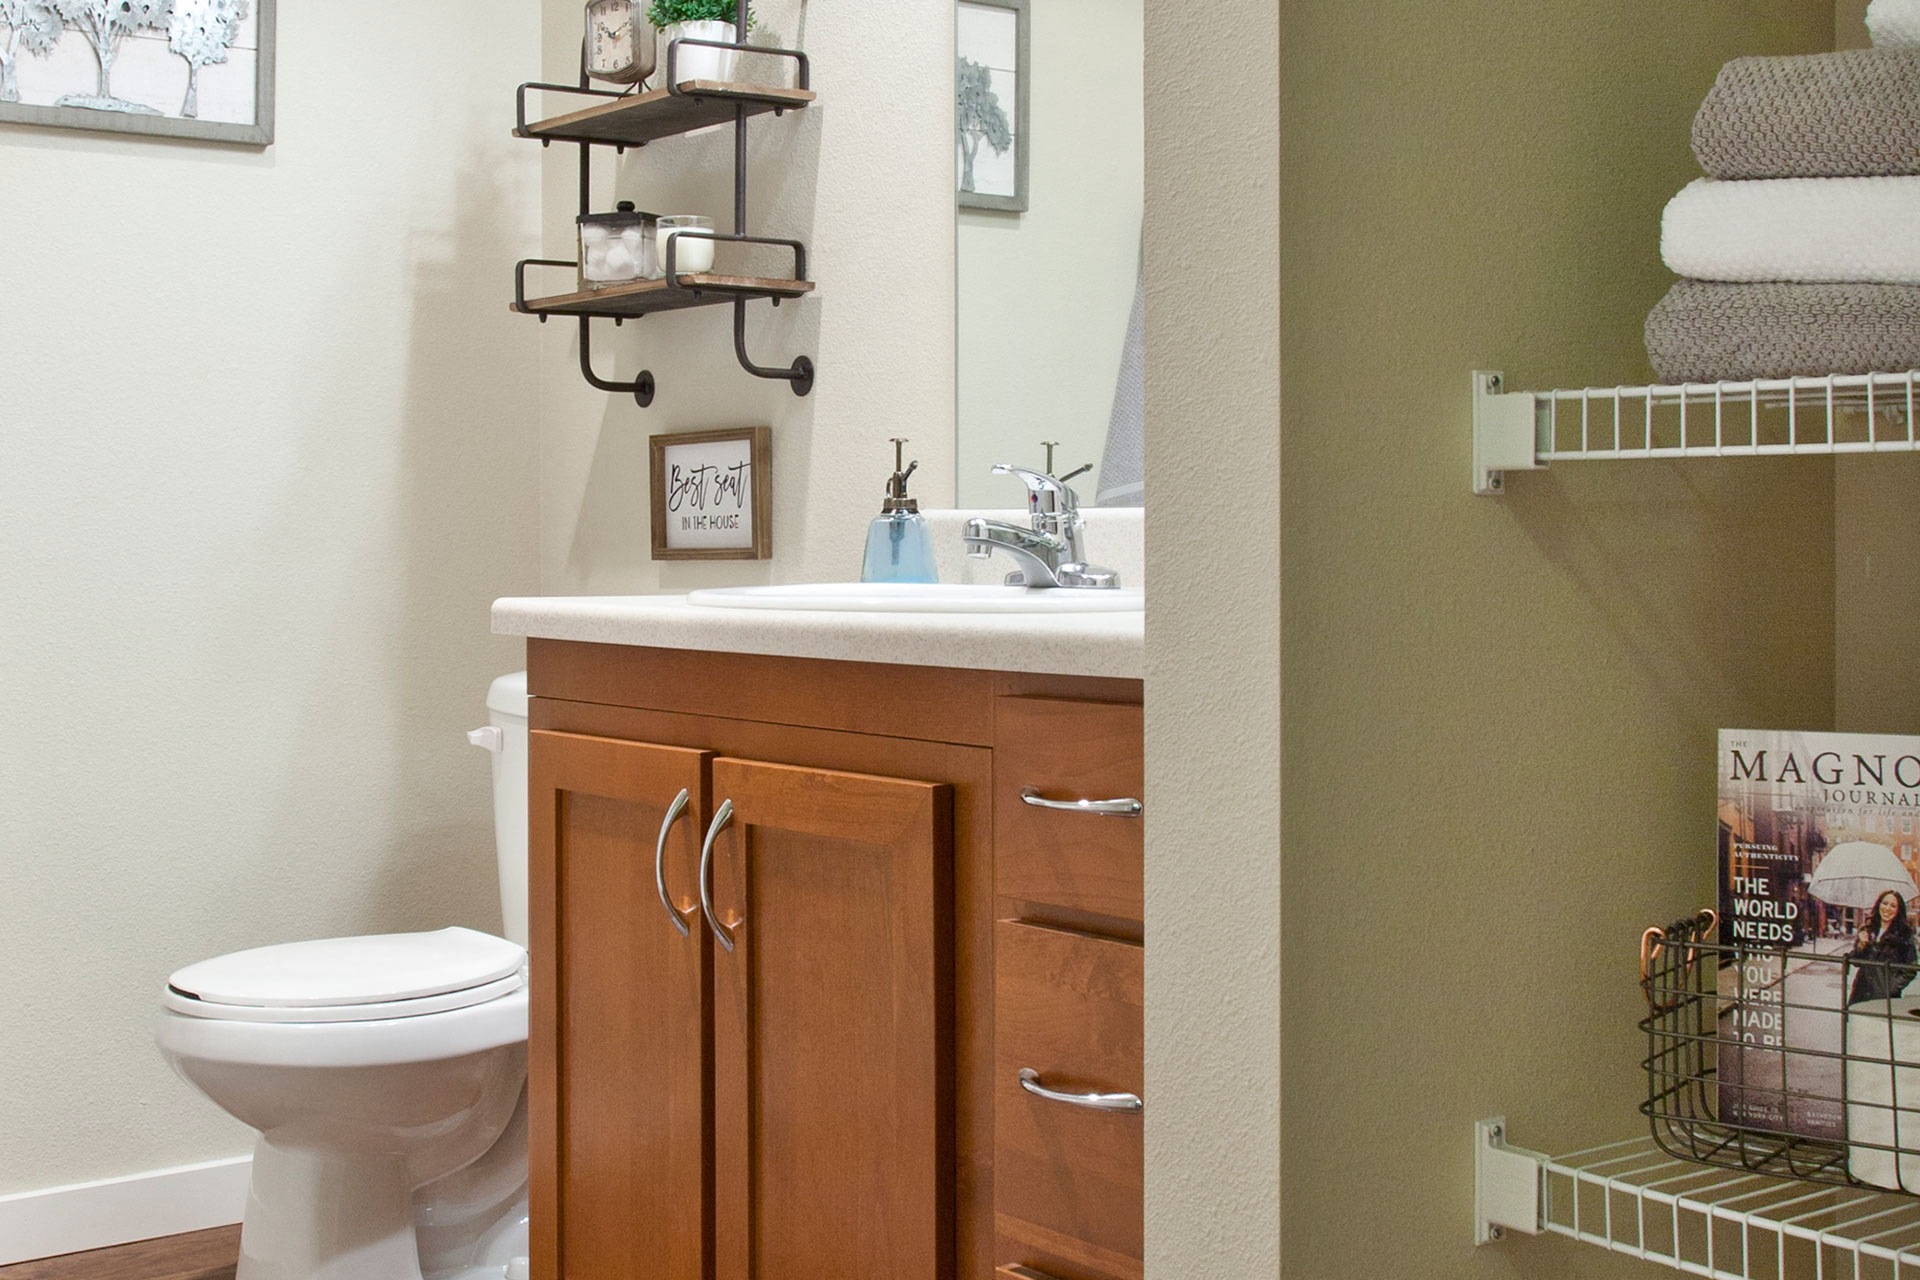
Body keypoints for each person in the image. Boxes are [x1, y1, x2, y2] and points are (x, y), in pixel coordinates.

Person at [1846, 889, 1919, 1005]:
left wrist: (1891, 988)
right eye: (1884, 903)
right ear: (1879, 905)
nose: (1887, 908)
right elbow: (1856, 961)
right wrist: (1862, 945)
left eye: (1893, 906)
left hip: (1885, 999)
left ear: (1898, 910)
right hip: (1861, 993)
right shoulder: (1867, 929)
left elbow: (1911, 969)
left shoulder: (1904, 934)